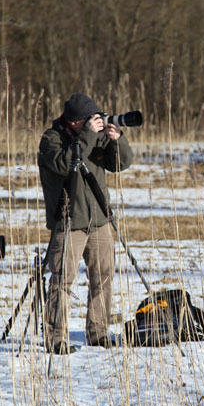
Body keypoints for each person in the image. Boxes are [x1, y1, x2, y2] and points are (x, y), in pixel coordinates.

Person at [38, 93, 134, 354]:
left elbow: (121, 164)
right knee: (62, 281)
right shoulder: (52, 139)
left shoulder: (94, 135)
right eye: (88, 120)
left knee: (102, 277)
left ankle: (99, 332)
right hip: (69, 221)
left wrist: (118, 140)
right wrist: (88, 136)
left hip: (99, 219)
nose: (95, 123)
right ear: (73, 122)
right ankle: (55, 338)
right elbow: (65, 162)